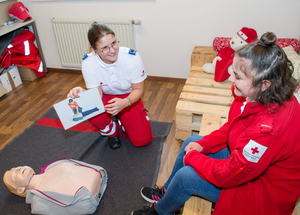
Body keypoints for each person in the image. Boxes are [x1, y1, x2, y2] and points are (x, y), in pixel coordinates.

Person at [132, 32, 300, 215]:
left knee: (185, 176)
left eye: (238, 76)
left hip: (262, 192)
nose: (231, 79)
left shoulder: (268, 132)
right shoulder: (262, 95)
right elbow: (234, 127)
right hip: (251, 168)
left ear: (265, 84)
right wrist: (203, 145)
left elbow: (229, 174)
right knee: (191, 143)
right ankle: (167, 194)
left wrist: (194, 158)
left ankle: (160, 211)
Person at [67, 23, 152, 149]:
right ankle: (113, 131)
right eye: (105, 48)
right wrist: (82, 92)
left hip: (129, 96)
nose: (112, 50)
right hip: (105, 95)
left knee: (142, 141)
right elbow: (96, 95)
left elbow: (138, 89)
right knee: (86, 108)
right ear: (94, 49)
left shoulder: (132, 58)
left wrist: (125, 102)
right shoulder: (88, 62)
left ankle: (123, 119)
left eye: (114, 43)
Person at [3, 158, 107, 215]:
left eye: (16, 167)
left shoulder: (51, 166)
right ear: (20, 190)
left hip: (100, 175)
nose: (17, 169)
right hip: (88, 198)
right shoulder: (38, 203)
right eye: (14, 175)